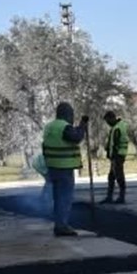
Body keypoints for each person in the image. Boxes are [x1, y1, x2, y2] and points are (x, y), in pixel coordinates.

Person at [41, 101, 89, 236]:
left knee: (57, 197)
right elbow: (76, 137)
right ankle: (61, 226)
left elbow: (44, 146)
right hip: (64, 168)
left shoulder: (49, 127)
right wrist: (83, 125)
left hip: (52, 167)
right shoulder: (64, 127)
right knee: (64, 198)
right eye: (71, 114)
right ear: (67, 114)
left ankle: (58, 223)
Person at [101, 110, 129, 205]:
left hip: (117, 155)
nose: (107, 123)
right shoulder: (118, 126)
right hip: (118, 154)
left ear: (111, 118)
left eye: (108, 121)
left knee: (119, 175)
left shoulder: (117, 128)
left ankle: (121, 196)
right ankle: (110, 196)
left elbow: (115, 144)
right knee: (112, 176)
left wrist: (111, 154)